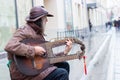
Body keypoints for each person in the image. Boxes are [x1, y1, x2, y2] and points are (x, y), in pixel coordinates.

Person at [4, 6, 72, 80]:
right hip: (25, 74)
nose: (47, 20)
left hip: (36, 69)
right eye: (45, 18)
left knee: (64, 65)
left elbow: (46, 59)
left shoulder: (37, 33)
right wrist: (34, 50)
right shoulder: (24, 30)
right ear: (39, 20)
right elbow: (9, 46)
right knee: (62, 74)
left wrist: (65, 52)